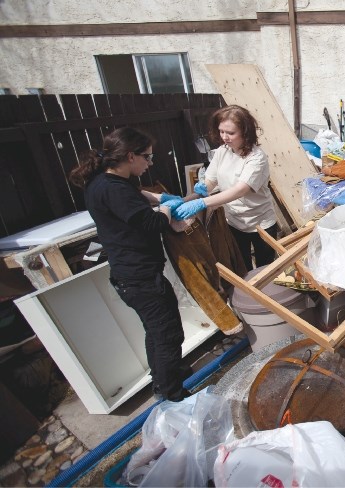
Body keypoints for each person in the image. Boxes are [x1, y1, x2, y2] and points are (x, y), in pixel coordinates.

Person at [68, 127, 190, 402]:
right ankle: (173, 395)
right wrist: (167, 209)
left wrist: (154, 197)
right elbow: (151, 223)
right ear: (130, 156)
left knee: (157, 332)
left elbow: (135, 196)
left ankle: (162, 378)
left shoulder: (105, 181)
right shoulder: (113, 190)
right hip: (141, 278)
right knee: (169, 334)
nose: (150, 163)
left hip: (132, 275)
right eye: (147, 157)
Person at [173, 105, 278, 271]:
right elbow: (211, 179)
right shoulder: (223, 151)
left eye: (230, 133)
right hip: (234, 221)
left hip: (260, 223)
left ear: (245, 131)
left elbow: (240, 190)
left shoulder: (256, 158)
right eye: (222, 131)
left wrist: (203, 203)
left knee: (265, 269)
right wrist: (202, 188)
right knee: (242, 266)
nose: (225, 137)